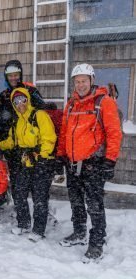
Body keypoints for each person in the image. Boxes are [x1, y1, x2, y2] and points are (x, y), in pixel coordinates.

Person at [57, 64, 122, 262]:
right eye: (77, 81)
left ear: (92, 80)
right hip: (72, 163)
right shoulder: (71, 104)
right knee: (76, 201)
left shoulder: (104, 102)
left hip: (94, 163)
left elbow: (114, 133)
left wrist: (110, 160)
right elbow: (65, 132)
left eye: (84, 80)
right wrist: (61, 154)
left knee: (94, 204)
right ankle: (79, 232)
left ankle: (97, 241)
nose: (81, 85)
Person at [0, 87, 57, 242]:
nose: (20, 103)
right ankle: (23, 223)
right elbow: (12, 141)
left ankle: (38, 230)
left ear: (27, 100)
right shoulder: (17, 121)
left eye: (22, 99)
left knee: (39, 197)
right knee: (19, 193)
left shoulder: (39, 115)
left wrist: (42, 156)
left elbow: (49, 137)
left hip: (42, 163)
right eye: (16, 101)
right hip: (26, 163)